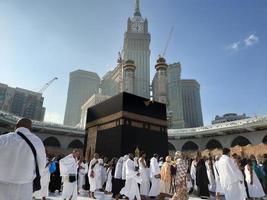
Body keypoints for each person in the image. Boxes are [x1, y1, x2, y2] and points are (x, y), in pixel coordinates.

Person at [0, 118, 46, 200]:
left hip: (2, 183)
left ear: (16, 126)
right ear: (30, 128)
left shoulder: (2, 139)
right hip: (25, 186)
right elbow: (41, 165)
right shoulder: (36, 141)